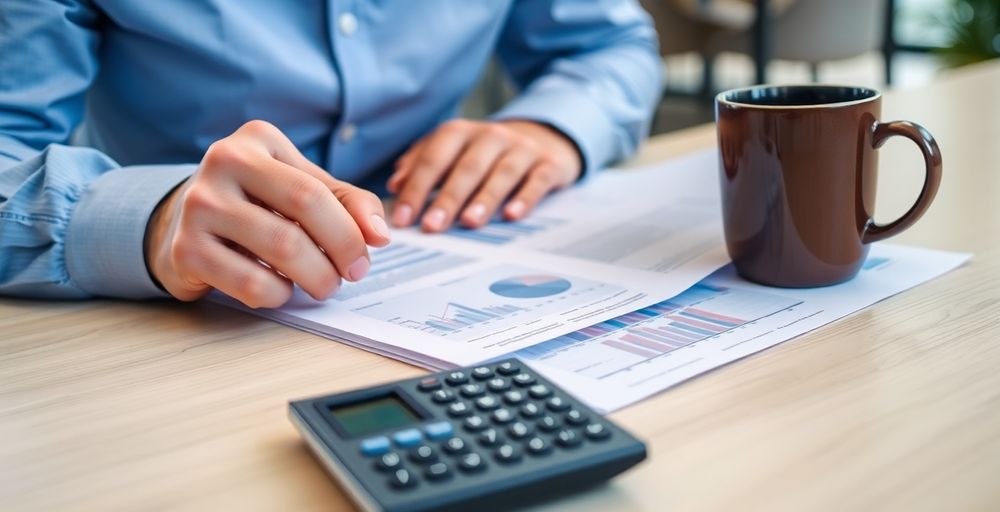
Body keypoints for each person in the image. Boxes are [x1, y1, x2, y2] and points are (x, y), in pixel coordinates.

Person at [0, 1, 663, 308]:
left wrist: (549, 129)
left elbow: (612, 45)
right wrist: (148, 218)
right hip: (168, 326)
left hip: (439, 266)